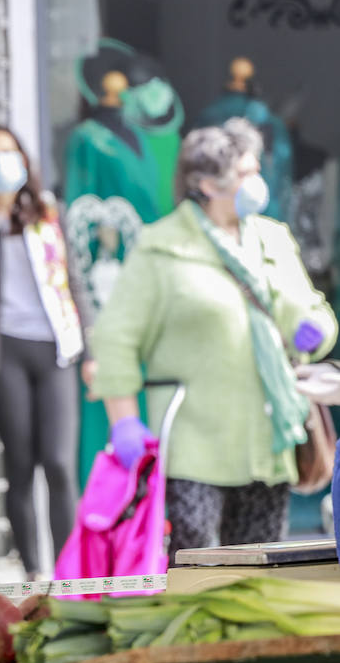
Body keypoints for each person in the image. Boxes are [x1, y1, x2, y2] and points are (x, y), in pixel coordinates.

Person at [92, 119, 337, 556]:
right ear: (205, 183)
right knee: (195, 572)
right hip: (195, 449)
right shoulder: (162, 247)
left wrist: (315, 328)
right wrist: (124, 421)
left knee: (259, 576)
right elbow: (116, 340)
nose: (256, 182)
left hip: (267, 445)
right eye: (244, 174)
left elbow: (315, 311)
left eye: (255, 169)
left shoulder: (271, 238)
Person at [0, 124, 92, 579]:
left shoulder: (49, 213)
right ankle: (35, 574)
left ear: (25, 162)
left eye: (10, 153)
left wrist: (93, 352)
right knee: (22, 462)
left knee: (61, 464)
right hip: (2, 353)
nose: (3, 163)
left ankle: (70, 573)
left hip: (55, 348)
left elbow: (74, 282)